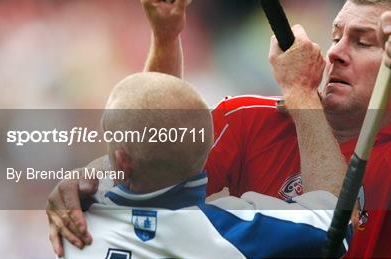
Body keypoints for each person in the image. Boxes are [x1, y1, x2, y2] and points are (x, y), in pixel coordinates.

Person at [47, 0, 391, 258]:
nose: (336, 53)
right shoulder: (247, 119)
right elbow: (155, 158)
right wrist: (165, 37)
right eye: (337, 35)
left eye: (363, 42)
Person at [57, 72, 350, 258]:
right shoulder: (232, 231)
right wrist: (303, 94)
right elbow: (336, 221)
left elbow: (146, 147)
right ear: (210, 147)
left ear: (120, 161)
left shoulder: (73, 223)